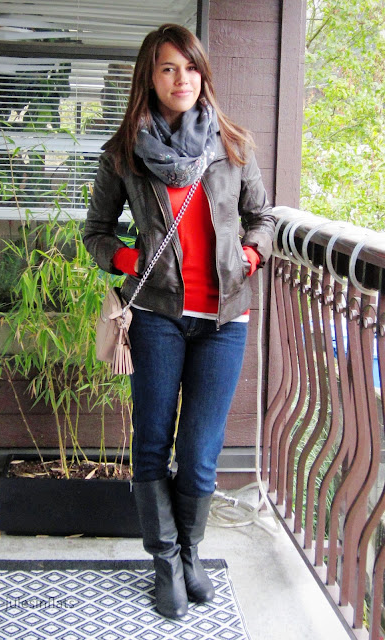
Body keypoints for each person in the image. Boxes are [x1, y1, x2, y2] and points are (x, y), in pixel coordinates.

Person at [83, 23, 275, 620]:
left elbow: (262, 218)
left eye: (190, 67)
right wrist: (129, 260)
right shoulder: (124, 153)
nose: (181, 79)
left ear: (202, 75)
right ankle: (164, 561)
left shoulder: (232, 143)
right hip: (157, 317)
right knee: (151, 441)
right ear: (150, 76)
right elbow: (95, 232)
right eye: (168, 68)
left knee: (198, 450)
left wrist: (249, 257)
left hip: (223, 318)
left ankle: (191, 552)